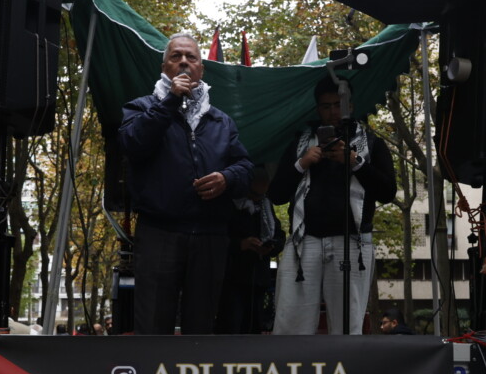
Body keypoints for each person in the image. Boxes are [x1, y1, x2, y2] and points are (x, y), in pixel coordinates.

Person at [119, 32, 254, 335]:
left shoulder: (221, 121)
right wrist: (169, 102)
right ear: (164, 66)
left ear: (201, 69)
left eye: (191, 57)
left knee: (201, 330)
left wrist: (226, 178)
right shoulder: (141, 108)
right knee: (153, 326)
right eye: (175, 56)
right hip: (158, 234)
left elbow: (246, 168)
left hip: (210, 237)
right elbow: (132, 144)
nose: (183, 62)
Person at [269, 77, 396, 335]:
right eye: (326, 106)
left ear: (351, 105)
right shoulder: (300, 144)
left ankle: (346, 373)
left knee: (348, 325)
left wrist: (356, 162)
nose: (333, 112)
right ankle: (294, 371)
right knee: (291, 321)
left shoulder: (371, 143)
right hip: (305, 240)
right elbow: (277, 195)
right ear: (318, 109)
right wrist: (301, 164)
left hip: (351, 242)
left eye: (339, 105)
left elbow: (388, 193)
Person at [215, 173, 285, 334]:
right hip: (233, 277)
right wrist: (241, 244)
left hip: (259, 278)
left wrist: (270, 247)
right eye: (254, 195)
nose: (258, 199)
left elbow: (279, 236)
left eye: (262, 195)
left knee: (254, 325)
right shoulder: (230, 207)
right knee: (231, 323)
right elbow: (219, 238)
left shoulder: (266, 207)